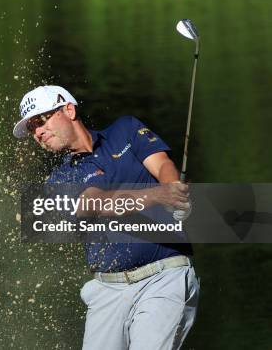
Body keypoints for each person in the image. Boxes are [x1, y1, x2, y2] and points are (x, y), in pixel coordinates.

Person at [13, 85, 199, 350]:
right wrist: (159, 196)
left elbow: (162, 165)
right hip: (107, 291)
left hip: (164, 277)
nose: (38, 133)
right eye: (31, 129)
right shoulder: (59, 180)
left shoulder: (124, 131)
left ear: (69, 109)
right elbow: (95, 202)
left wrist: (175, 193)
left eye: (41, 121)